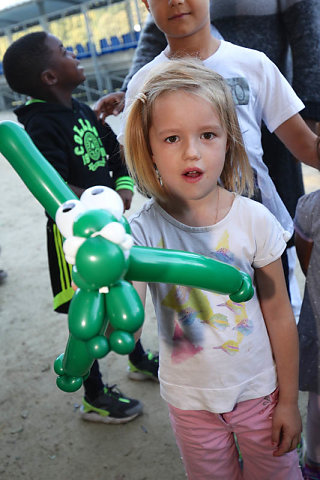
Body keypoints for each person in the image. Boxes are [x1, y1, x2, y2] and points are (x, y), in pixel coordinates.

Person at [124, 57, 303, 479]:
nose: (192, 151)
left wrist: (290, 402)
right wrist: (100, 292)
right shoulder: (140, 233)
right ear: (148, 148)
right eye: (171, 138)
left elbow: (279, 314)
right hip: (189, 404)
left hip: (261, 394)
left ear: (229, 141)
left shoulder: (254, 220)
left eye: (207, 134)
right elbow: (127, 327)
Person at [94, 0, 320, 313]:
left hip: (258, 235)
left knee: (276, 323)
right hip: (183, 239)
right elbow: (136, 165)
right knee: (204, 336)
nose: (176, 1)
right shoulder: (143, 83)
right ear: (145, 4)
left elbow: (308, 146)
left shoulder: (254, 65)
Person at [2, 31, 158, 425]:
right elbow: (52, 184)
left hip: (111, 226)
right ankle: (93, 395)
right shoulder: (38, 124)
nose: (76, 54)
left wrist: (122, 186)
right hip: (73, 239)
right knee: (87, 315)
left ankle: (137, 358)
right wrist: (98, 202)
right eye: (66, 52)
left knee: (124, 293)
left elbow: (114, 151)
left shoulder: (83, 111)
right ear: (50, 76)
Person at [294, 181, 320, 480]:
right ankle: (313, 461)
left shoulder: (310, 206)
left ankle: (314, 461)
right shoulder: (311, 207)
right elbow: (305, 257)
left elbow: (306, 257)